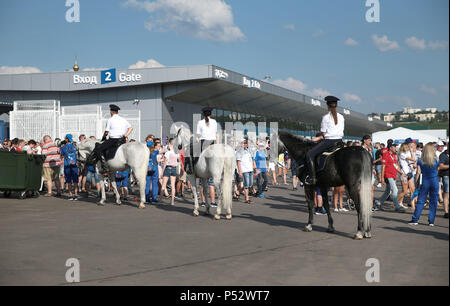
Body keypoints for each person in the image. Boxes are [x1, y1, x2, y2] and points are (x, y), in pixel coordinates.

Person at [305, 96, 345, 185]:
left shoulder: (326, 117)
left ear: (328, 105)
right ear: (336, 105)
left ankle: (312, 178)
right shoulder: (341, 117)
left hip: (329, 141)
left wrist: (319, 138)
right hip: (340, 141)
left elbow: (323, 133)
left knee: (309, 154)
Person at [409, 143, 446, 226]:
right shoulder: (436, 160)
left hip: (425, 181)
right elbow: (437, 171)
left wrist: (416, 183)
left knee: (421, 200)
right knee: (433, 201)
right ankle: (431, 221)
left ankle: (415, 219)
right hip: (434, 181)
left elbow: (418, 173)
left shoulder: (420, 160)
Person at [87, 104, 133, 172]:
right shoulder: (123, 119)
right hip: (122, 140)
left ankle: (105, 167)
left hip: (113, 140)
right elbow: (131, 128)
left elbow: (106, 132)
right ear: (117, 111)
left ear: (111, 111)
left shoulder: (110, 120)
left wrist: (103, 138)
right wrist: (125, 135)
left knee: (99, 148)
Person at [196, 106, 219, 207]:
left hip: (203, 143)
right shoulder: (214, 122)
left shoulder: (200, 122)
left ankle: (204, 201)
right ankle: (213, 202)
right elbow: (216, 134)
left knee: (195, 158)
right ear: (211, 114)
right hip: (213, 143)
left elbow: (197, 136)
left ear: (203, 114)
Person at [378, 143, 405, 213]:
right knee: (395, 190)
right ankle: (397, 207)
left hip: (393, 175)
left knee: (387, 191)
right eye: (394, 147)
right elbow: (383, 167)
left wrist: (401, 173)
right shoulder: (386, 155)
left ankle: (378, 203)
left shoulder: (393, 155)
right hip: (388, 175)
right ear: (390, 148)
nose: (395, 148)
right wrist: (382, 178)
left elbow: (396, 166)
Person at [60, 134, 79, 201]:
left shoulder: (63, 147)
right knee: (75, 180)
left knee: (69, 181)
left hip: (67, 165)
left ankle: (71, 195)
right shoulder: (75, 146)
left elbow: (61, 156)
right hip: (74, 165)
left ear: (67, 139)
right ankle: (76, 195)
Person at [397, 142, 416, 209]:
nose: (409, 148)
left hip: (409, 173)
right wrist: (412, 152)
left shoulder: (405, 154)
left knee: (412, 189)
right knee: (405, 191)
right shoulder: (402, 154)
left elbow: (412, 162)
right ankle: (396, 201)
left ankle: (412, 205)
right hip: (404, 175)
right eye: (407, 147)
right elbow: (413, 159)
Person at [161, 138, 179, 206]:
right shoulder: (176, 153)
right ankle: (172, 201)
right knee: (173, 186)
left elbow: (165, 163)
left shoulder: (167, 153)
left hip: (168, 168)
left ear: (169, 144)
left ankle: (161, 199)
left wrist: (162, 171)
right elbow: (178, 161)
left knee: (163, 185)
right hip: (174, 168)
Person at [236, 139, 255, 204]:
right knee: (246, 184)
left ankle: (238, 191)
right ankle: (247, 198)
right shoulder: (239, 151)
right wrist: (240, 171)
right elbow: (238, 162)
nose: (245, 144)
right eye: (244, 143)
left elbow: (251, 159)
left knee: (250, 184)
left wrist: (253, 167)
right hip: (244, 170)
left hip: (250, 169)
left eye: (246, 143)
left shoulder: (249, 150)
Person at [438, 144, 449, 218]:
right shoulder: (443, 155)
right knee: (446, 194)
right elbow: (441, 166)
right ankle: (446, 212)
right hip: (446, 176)